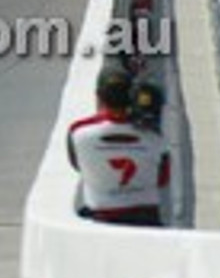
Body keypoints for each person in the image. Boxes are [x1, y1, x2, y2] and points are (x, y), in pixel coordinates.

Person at [68, 66, 170, 227]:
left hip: (101, 218)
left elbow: (77, 165)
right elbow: (163, 179)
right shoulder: (155, 136)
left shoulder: (78, 132)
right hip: (147, 219)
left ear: (98, 97)